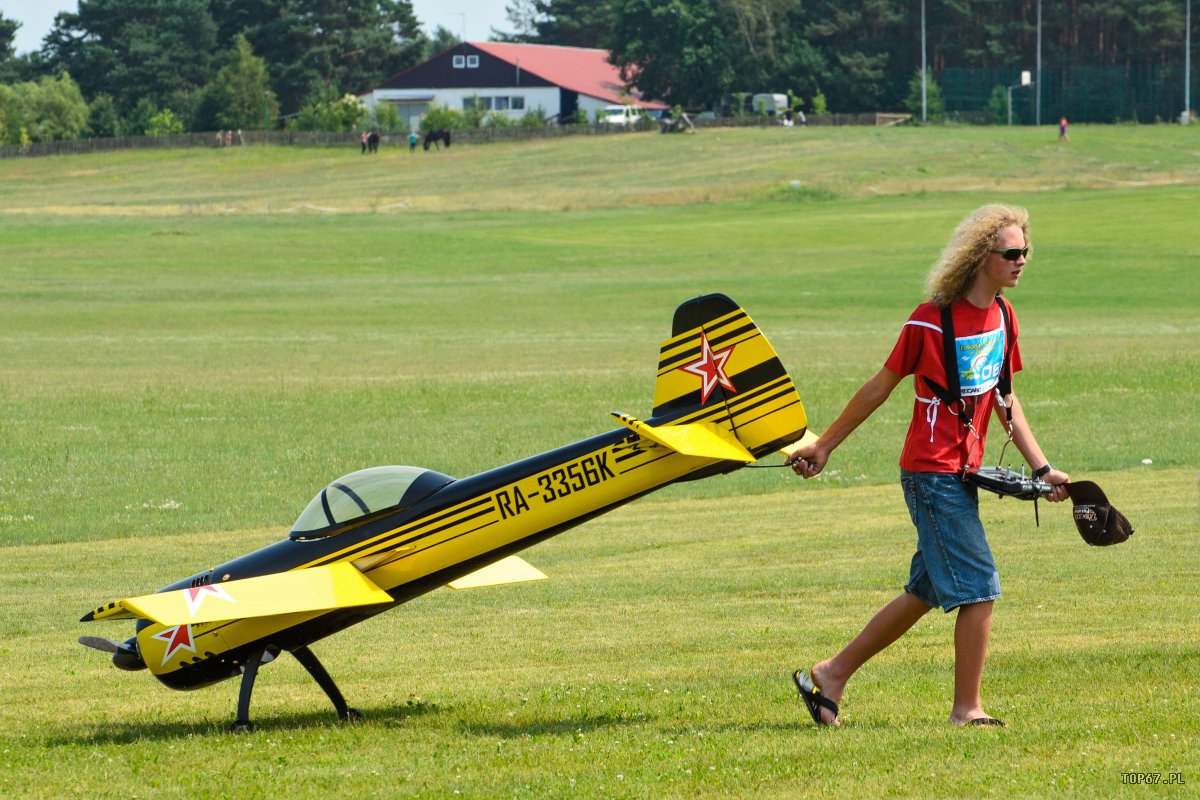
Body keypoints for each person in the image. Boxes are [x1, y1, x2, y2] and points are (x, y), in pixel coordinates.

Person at [787, 204, 1071, 728]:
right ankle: (967, 710)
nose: (1021, 260)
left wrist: (1041, 467)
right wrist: (824, 445)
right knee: (981, 586)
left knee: (929, 589)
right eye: (1011, 253)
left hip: (965, 474)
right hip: (930, 472)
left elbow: (1006, 400)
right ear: (980, 256)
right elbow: (879, 386)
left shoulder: (1005, 317)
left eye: (1026, 251)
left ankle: (831, 674)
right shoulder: (930, 318)